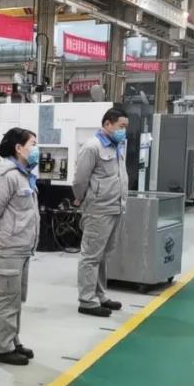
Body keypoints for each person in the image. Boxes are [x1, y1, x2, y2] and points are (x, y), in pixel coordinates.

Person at [0, 128, 41, 366]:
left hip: (20, 246)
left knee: (15, 299)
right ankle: (2, 348)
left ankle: (12, 340)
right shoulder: (7, 175)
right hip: (8, 246)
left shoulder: (23, 174)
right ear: (18, 148)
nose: (36, 149)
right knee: (7, 299)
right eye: (32, 144)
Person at [71, 107, 128, 317]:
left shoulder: (117, 145)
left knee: (103, 255)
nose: (124, 131)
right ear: (107, 124)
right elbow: (80, 180)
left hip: (115, 207)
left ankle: (100, 295)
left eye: (126, 127)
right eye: (121, 126)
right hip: (98, 209)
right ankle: (87, 300)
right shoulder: (92, 147)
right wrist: (81, 199)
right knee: (91, 255)